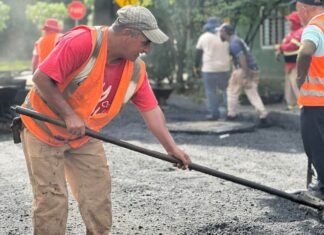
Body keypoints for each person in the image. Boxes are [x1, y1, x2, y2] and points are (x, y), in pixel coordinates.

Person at [19, 5, 191, 234]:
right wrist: (69, 115)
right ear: (128, 33)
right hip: (43, 131)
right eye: (145, 42)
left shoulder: (135, 70)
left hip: (83, 136)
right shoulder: (83, 42)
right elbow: (41, 78)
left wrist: (172, 149)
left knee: (97, 196)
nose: (148, 50)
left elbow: (151, 110)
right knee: (52, 200)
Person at [296, 0, 324, 199]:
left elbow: (305, 51)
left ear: (304, 8)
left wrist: (299, 78)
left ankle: (322, 186)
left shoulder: (314, 27)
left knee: (316, 144)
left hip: (317, 102)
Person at [219, 24, 270, 128]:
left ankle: (231, 115)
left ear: (224, 32)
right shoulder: (237, 40)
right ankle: (263, 116)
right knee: (252, 93)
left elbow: (241, 58)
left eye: (220, 31)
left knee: (232, 91)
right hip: (253, 68)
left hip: (243, 69)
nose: (219, 34)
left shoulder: (233, 44)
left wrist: (245, 74)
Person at [194, 17, 231, 120]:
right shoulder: (225, 37)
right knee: (226, 91)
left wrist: (196, 68)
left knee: (211, 92)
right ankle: (230, 112)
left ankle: (214, 114)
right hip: (224, 69)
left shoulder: (203, 37)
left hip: (209, 70)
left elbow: (198, 54)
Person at [275, 12, 303, 110]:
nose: (288, 23)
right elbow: (285, 44)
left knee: (296, 83)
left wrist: (280, 47)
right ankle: (291, 104)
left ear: (296, 22)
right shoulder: (289, 34)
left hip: (296, 63)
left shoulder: (300, 32)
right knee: (289, 84)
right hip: (288, 63)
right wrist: (279, 51)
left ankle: (303, 105)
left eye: (290, 21)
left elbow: (292, 46)